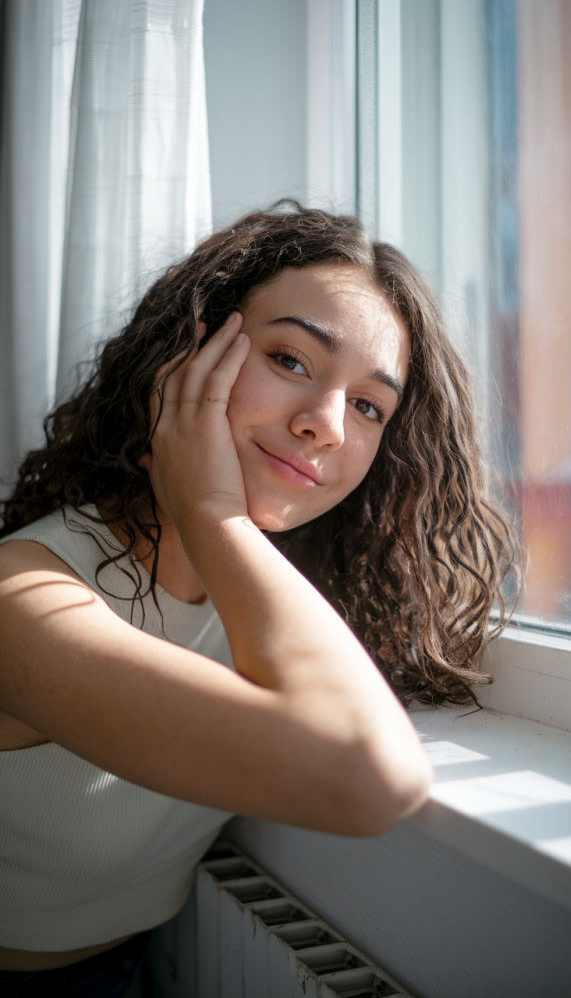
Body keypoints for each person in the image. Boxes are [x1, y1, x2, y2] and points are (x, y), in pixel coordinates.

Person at [0, 204, 515, 995]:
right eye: (291, 359)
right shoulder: (24, 595)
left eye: (369, 406)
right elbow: (371, 778)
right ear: (185, 356)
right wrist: (213, 511)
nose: (326, 425)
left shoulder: (278, 599)